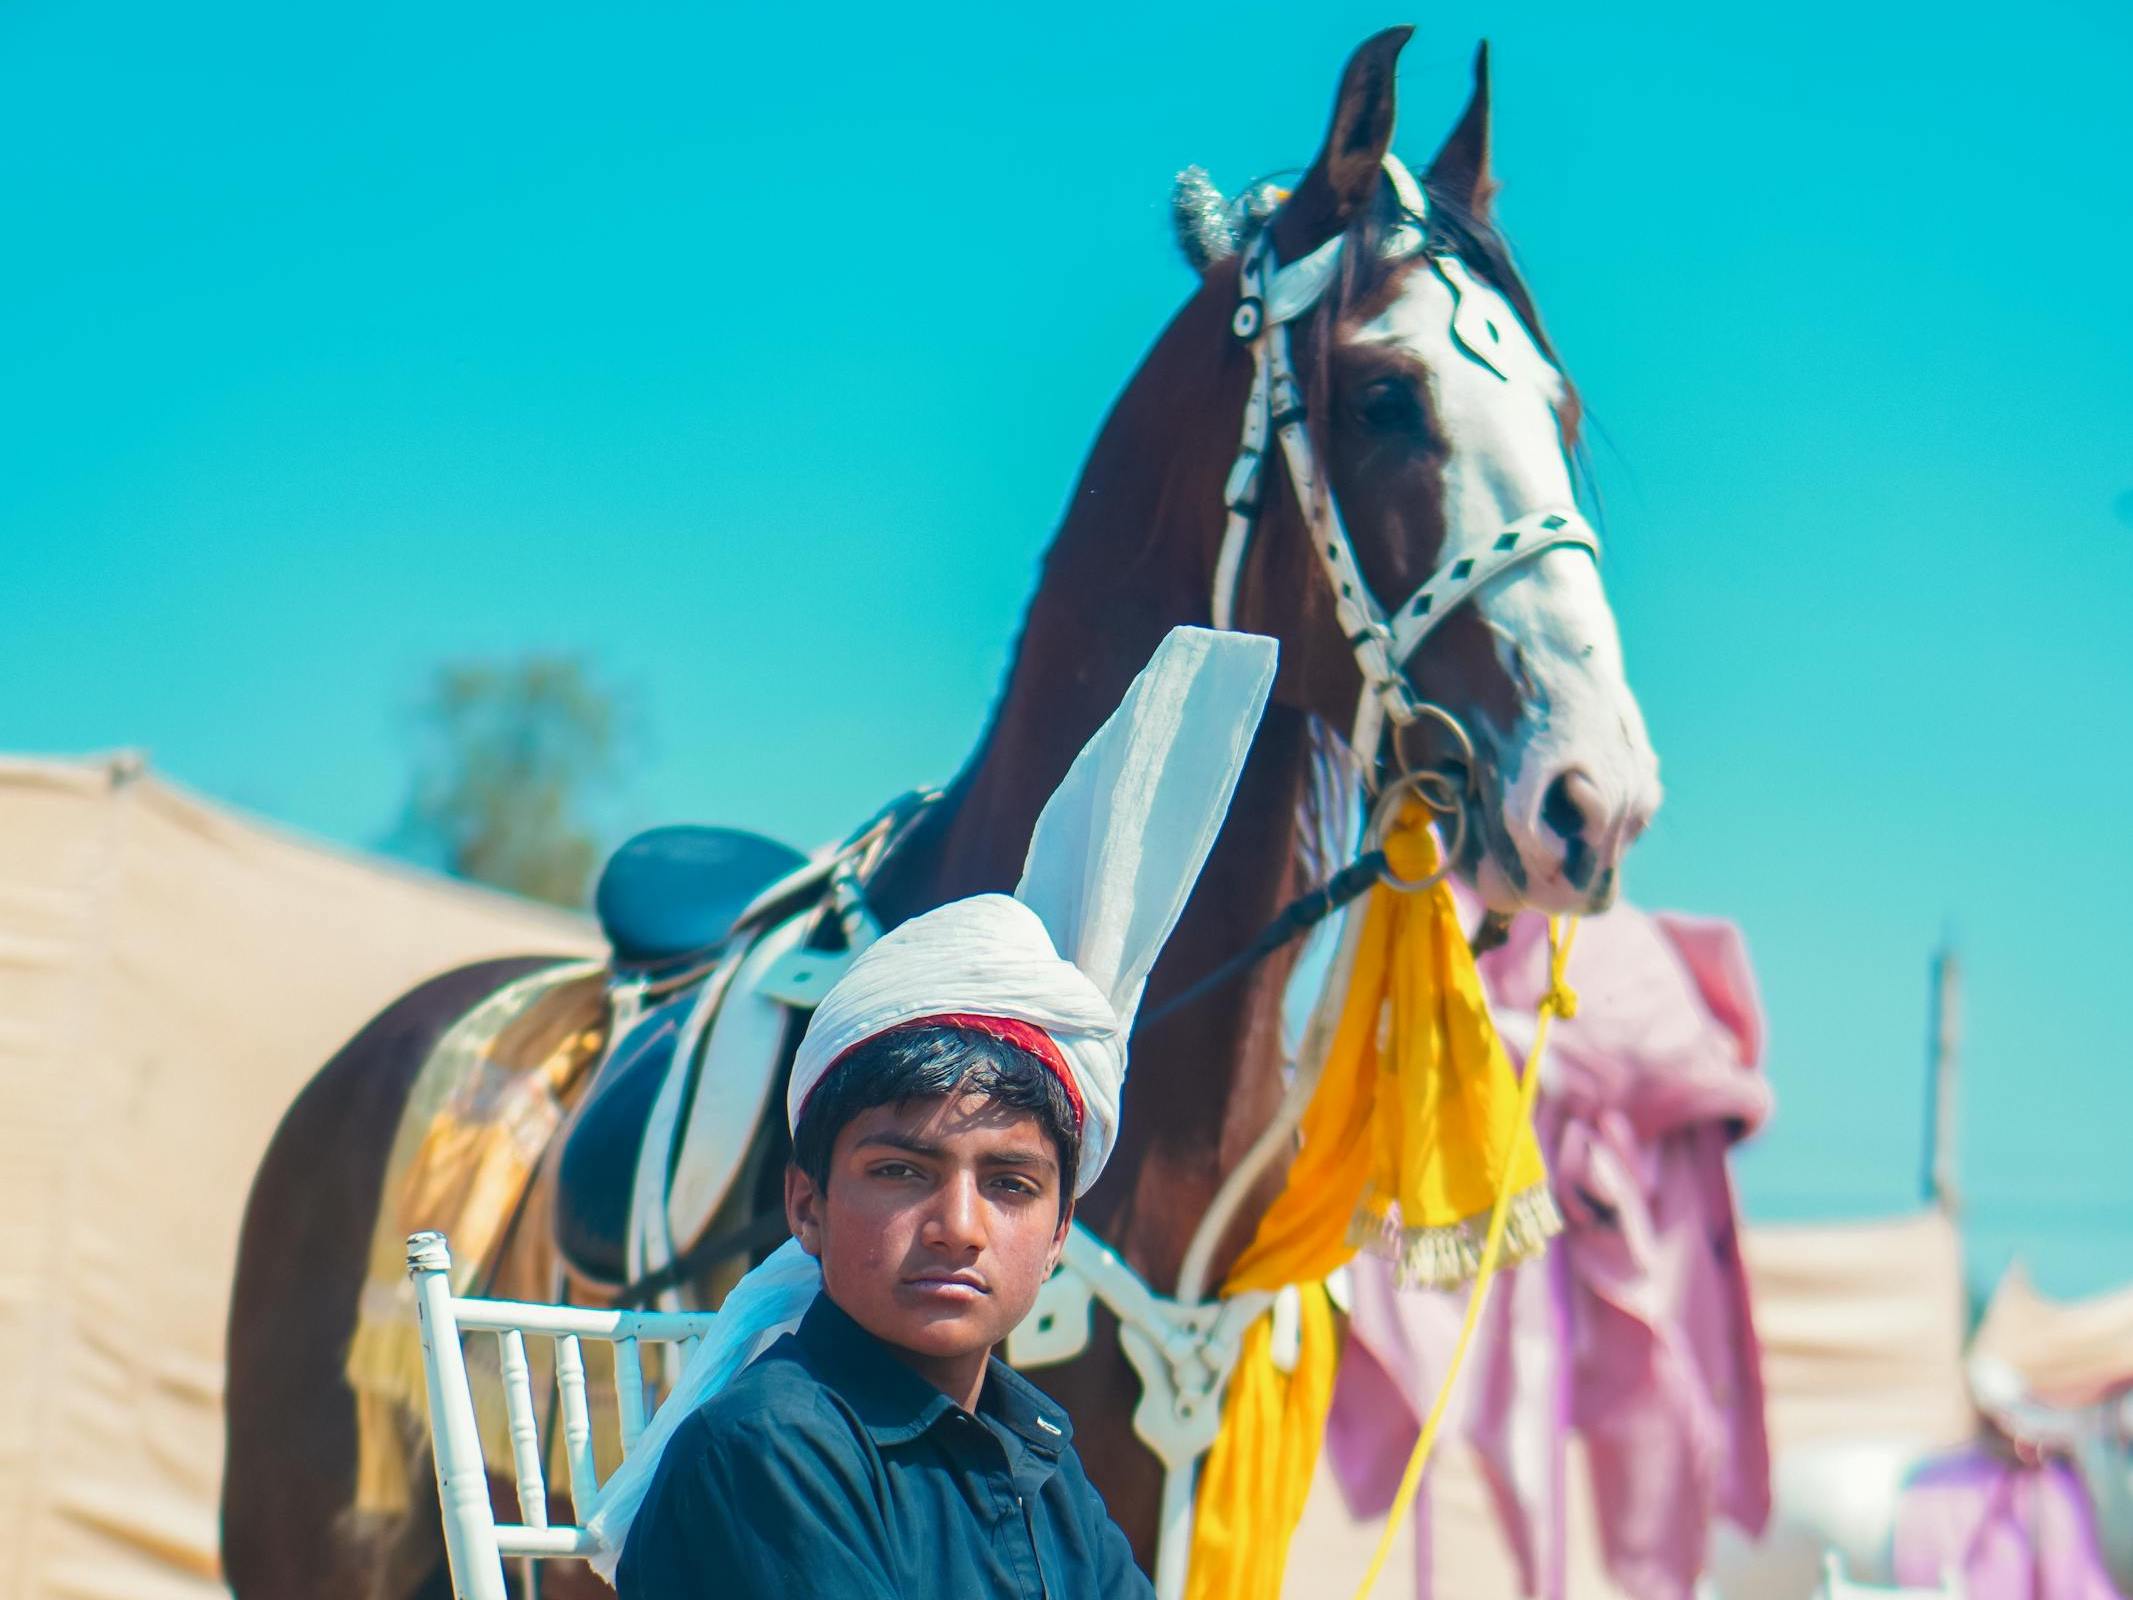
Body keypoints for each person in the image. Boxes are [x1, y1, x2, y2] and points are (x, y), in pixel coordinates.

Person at [591, 625, 1277, 1599]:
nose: (958, 1225)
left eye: (1010, 1184)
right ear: (807, 1205)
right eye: (903, 1171)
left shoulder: (1037, 1454)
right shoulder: (768, 1449)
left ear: (1058, 1234)